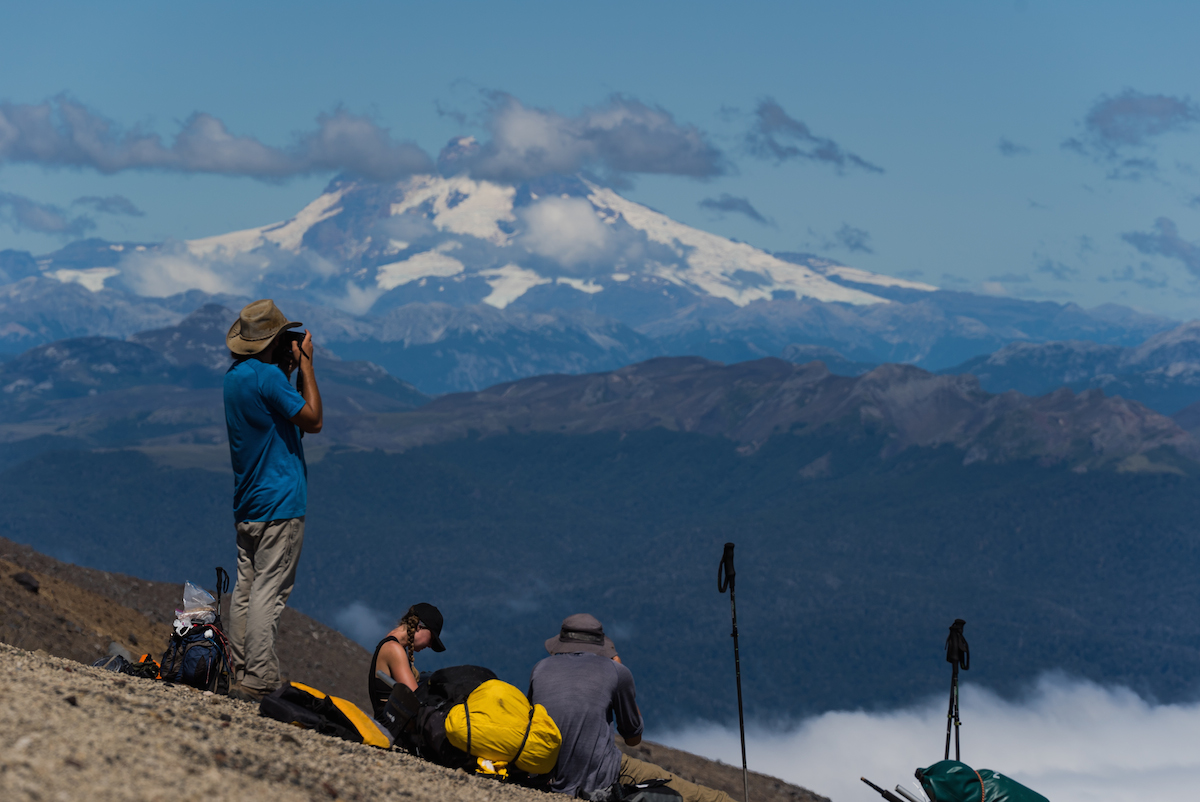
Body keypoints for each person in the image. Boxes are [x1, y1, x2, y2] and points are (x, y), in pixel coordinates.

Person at [223, 299, 323, 702]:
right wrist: (307, 367)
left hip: (248, 501)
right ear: (273, 340)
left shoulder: (235, 377)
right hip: (280, 502)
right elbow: (313, 420)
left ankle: (241, 669)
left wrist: (287, 372)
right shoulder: (269, 378)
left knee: (245, 590)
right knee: (270, 590)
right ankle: (260, 677)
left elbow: (278, 415)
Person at [529, 614, 734, 802]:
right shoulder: (615, 671)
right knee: (711, 798)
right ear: (600, 644)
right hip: (601, 775)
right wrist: (619, 667)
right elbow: (633, 738)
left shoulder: (540, 668)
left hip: (547, 774)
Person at [368, 602, 446, 717]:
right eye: (431, 639)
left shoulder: (391, 645)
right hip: (390, 725)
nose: (430, 645)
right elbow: (415, 700)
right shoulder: (393, 649)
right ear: (419, 626)